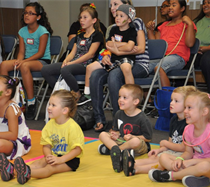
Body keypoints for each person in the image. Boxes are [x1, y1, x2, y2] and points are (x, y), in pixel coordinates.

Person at [0, 90, 84, 185]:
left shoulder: (73, 127)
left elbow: (77, 150)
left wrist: (60, 160)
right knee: (38, 163)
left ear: (65, 110)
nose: (49, 107)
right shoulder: (50, 125)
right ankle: (12, 171)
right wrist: (48, 156)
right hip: (54, 156)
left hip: (69, 160)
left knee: (50, 168)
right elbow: (46, 145)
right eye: (49, 104)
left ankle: (27, 173)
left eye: (53, 105)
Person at [89, 0, 150, 132]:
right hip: (116, 61)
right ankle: (99, 118)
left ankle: (120, 120)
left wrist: (116, 48)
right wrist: (106, 55)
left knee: (114, 75)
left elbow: (138, 48)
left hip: (137, 63)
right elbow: (108, 46)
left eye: (115, 4)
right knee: (95, 75)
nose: (113, 9)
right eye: (111, 6)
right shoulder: (113, 28)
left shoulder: (136, 23)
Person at [149, 90, 210, 187]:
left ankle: (170, 176)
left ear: (204, 111)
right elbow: (188, 153)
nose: (185, 111)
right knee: (164, 157)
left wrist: (192, 162)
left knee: (204, 166)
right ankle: (195, 178)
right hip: (193, 163)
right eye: (185, 107)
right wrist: (180, 159)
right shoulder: (188, 129)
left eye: (189, 108)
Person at [123, 86, 196, 176]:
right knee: (154, 157)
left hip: (183, 155)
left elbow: (183, 148)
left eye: (176, 101)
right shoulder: (174, 120)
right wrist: (161, 149)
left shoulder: (189, 124)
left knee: (162, 162)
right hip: (173, 151)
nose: (171, 103)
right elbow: (171, 142)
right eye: (171, 100)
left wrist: (164, 143)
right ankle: (129, 163)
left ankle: (136, 169)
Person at [0, 2, 53, 120]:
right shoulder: (22, 31)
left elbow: (41, 53)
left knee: (24, 66)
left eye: (31, 13)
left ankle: (31, 102)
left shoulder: (42, 31)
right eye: (25, 13)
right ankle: (4, 99)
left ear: (38, 17)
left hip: (41, 61)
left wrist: (23, 62)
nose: (27, 16)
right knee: (4, 65)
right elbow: (21, 52)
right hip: (26, 60)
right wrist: (19, 60)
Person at [41, 4, 104, 101]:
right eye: (80, 17)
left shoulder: (97, 35)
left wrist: (71, 63)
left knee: (65, 70)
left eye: (85, 17)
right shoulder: (79, 35)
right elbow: (73, 52)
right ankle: (64, 94)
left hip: (86, 65)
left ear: (94, 20)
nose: (81, 20)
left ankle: (77, 94)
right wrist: (66, 60)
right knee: (45, 70)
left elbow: (90, 54)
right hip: (73, 62)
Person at [78, 4, 137, 105]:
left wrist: (116, 45)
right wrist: (121, 44)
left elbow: (129, 47)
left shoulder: (132, 31)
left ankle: (132, 94)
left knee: (126, 68)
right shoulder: (113, 30)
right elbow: (108, 45)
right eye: (116, 15)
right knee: (90, 67)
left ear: (129, 20)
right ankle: (87, 94)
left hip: (126, 58)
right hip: (112, 59)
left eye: (121, 16)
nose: (117, 18)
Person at [98, 84, 153, 173]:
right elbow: (116, 131)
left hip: (138, 143)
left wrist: (132, 137)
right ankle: (118, 151)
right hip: (123, 141)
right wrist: (115, 135)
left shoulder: (142, 118)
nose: (120, 100)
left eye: (124, 97)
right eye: (119, 97)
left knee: (135, 141)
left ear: (135, 101)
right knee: (102, 134)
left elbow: (148, 138)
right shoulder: (119, 114)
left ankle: (115, 151)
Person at [146, 0, 197, 87]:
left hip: (178, 57)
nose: (170, 7)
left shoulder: (186, 24)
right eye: (169, 5)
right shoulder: (163, 26)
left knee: (159, 68)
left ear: (182, 8)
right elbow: (156, 46)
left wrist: (190, 24)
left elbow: (190, 43)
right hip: (162, 58)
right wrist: (150, 30)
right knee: (143, 68)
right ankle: (147, 98)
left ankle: (167, 97)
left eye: (174, 5)